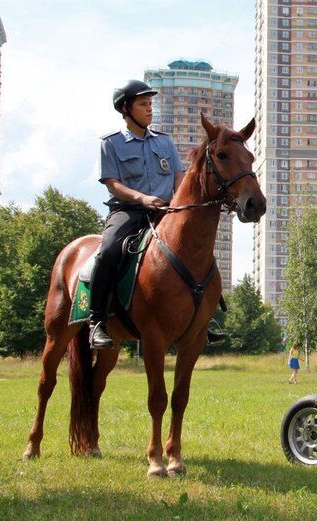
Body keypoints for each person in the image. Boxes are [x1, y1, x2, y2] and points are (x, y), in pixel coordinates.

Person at [89, 79, 228, 349]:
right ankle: (97, 321)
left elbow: (179, 176)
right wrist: (142, 198)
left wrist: (178, 200)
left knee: (199, 253)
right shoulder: (112, 143)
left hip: (166, 211)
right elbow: (112, 184)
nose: (149, 109)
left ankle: (202, 319)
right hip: (128, 211)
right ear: (125, 109)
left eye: (150, 103)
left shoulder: (164, 142)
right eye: (143, 104)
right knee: (107, 252)